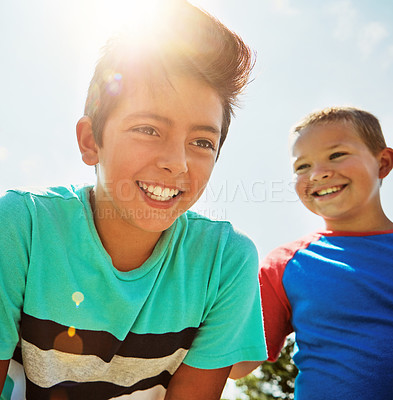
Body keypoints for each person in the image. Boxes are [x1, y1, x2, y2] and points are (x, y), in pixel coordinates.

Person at [0, 1, 267, 399]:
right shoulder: (22, 225)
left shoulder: (225, 261)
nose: (177, 163)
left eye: (201, 142)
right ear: (91, 141)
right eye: (148, 128)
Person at [232, 106, 393, 398]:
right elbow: (237, 361)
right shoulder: (285, 265)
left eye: (336, 155)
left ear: (382, 163)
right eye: (302, 166)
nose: (318, 174)